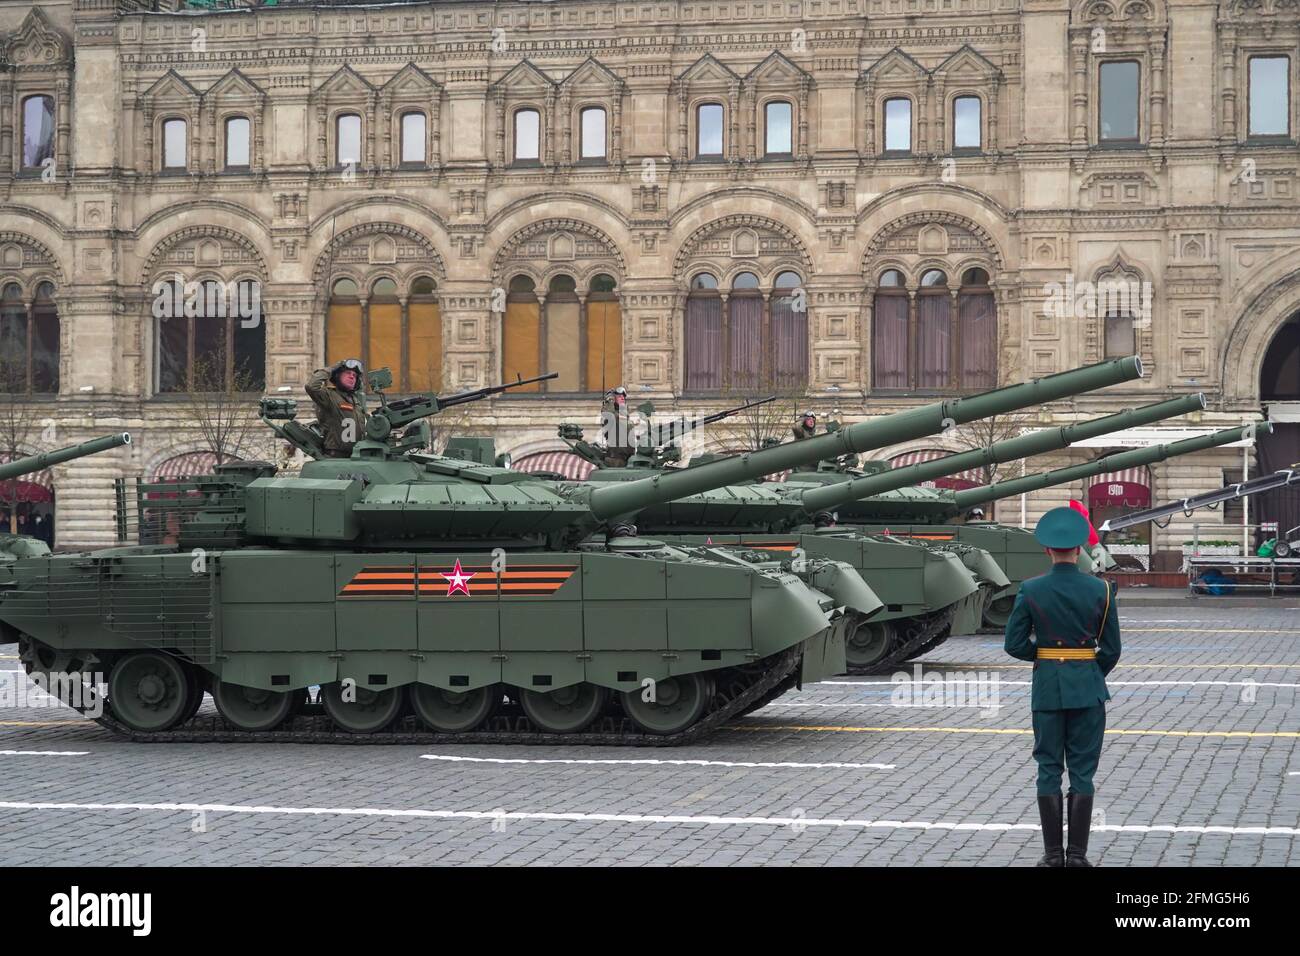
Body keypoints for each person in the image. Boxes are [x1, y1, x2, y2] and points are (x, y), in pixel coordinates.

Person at [1004, 506, 1121, 867]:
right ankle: (1078, 857)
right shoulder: (1101, 588)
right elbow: (1112, 649)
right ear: (1080, 548)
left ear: (1047, 550)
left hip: (1048, 689)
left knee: (1049, 769)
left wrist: (1044, 659)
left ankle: (1053, 856)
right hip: (1088, 689)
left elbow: (1014, 643)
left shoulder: (1032, 588)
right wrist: (1086, 669)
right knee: (1083, 772)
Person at [306, 358, 367, 458]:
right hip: (335, 457)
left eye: (355, 375)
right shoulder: (329, 396)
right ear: (337, 376)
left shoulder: (356, 401)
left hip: (354, 457)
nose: (352, 377)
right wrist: (333, 368)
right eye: (348, 373)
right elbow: (311, 386)